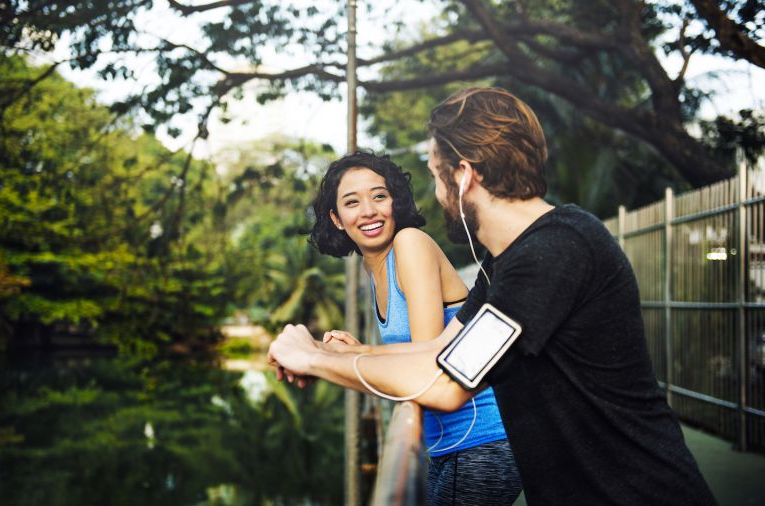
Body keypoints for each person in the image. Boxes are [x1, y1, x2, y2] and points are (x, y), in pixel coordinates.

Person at [268, 87, 717, 505]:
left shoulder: (555, 251)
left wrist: (312, 360)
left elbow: (443, 385)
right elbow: (440, 352)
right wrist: (345, 353)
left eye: (436, 177)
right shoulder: (507, 262)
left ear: (462, 177)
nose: (437, 194)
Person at [309, 151, 521, 505]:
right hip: (444, 446)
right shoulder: (373, 270)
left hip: (481, 439)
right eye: (352, 202)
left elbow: (427, 365)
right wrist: (359, 349)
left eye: (379, 196)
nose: (369, 211)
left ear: (395, 201)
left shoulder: (410, 244)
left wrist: (347, 357)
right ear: (336, 218)